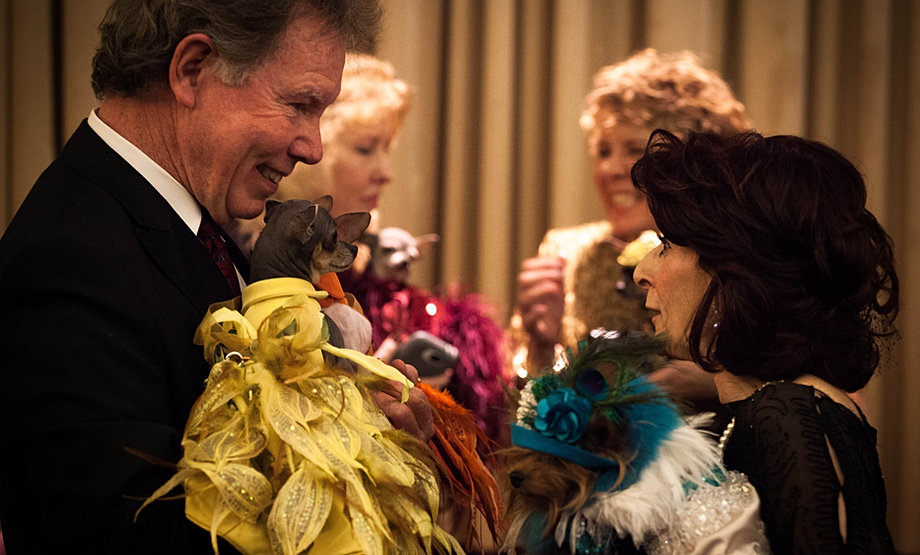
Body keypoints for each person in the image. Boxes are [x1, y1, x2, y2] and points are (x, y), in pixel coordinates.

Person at [0, 1, 437, 553]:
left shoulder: (195, 225)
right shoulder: (67, 260)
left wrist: (359, 420)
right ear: (192, 70)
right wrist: (344, 458)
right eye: (299, 105)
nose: (313, 147)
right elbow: (128, 534)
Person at [632, 129, 898, 553]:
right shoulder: (765, 408)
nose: (640, 272)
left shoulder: (788, 412)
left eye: (664, 246)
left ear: (731, 270)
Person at [270, 52, 511, 450]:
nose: (387, 172)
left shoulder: (379, 294)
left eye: (386, 149)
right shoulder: (257, 266)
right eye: (367, 149)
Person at [509, 49, 749, 411]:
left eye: (635, 149)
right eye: (603, 151)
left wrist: (716, 382)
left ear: (696, 163)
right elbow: (523, 414)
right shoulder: (565, 252)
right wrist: (540, 346)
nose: (611, 169)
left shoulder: (738, 256)